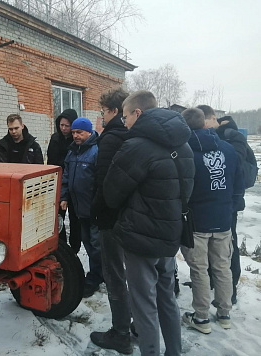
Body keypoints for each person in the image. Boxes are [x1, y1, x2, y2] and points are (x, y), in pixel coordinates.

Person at [103, 91, 194, 356]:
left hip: (141, 239)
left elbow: (111, 193)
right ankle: (174, 352)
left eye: (125, 115)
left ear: (138, 113)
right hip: (169, 236)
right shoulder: (184, 145)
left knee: (144, 305)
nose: (124, 122)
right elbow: (187, 190)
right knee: (166, 297)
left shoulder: (137, 146)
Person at [180, 108, 244, 333]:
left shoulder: (184, 150)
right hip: (223, 218)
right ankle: (225, 313)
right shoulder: (228, 149)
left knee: (199, 270)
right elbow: (239, 181)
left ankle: (201, 318)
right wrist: (231, 205)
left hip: (197, 221)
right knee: (222, 267)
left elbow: (183, 188)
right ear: (206, 123)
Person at [90, 88, 132, 354]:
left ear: (114, 111)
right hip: (132, 217)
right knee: (135, 276)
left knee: (114, 275)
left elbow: (103, 182)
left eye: (104, 111)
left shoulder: (110, 139)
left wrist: (97, 213)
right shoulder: (131, 135)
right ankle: (137, 324)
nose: (101, 116)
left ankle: (120, 333)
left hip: (112, 219)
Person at [198, 106, 246, 305]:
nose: (202, 127)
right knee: (217, 252)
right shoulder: (218, 137)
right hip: (219, 204)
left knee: (228, 251)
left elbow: (238, 172)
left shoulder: (232, 137)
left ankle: (230, 292)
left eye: (204, 122)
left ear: (212, 119)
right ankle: (212, 285)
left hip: (227, 205)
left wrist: (232, 204)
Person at [60, 117, 103, 298]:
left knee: (96, 245)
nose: (76, 136)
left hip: (93, 209)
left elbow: (101, 182)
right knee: (88, 242)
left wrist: (97, 204)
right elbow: (66, 178)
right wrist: (64, 197)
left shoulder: (96, 151)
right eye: (74, 133)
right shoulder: (72, 153)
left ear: (89, 132)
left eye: (79, 133)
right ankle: (100, 273)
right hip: (78, 209)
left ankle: (96, 276)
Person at [47, 109, 81, 253]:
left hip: (73, 183)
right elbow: (50, 162)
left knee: (75, 218)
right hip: (58, 183)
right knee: (58, 217)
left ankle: (74, 248)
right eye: (62, 125)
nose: (64, 128)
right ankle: (61, 245)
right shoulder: (55, 139)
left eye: (67, 126)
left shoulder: (77, 141)